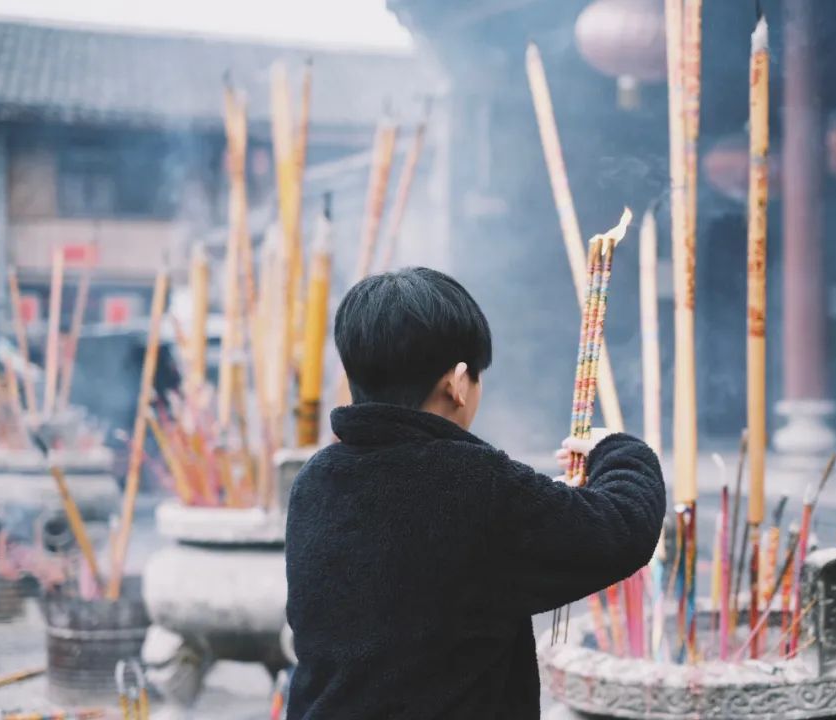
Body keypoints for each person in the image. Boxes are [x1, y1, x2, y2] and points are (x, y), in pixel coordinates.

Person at [285, 267, 665, 719]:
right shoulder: (475, 485)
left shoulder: (316, 481)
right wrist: (617, 451)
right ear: (457, 383)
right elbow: (623, 528)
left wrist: (540, 505)